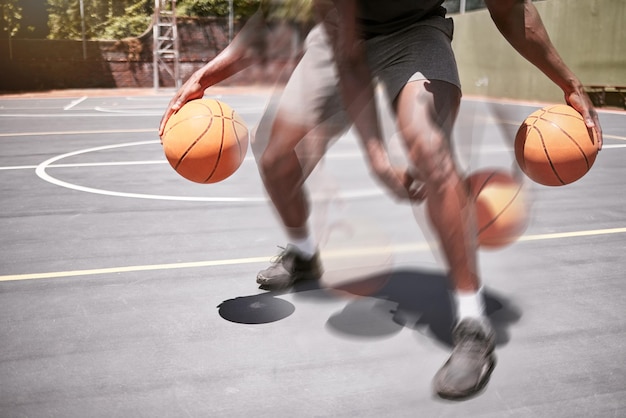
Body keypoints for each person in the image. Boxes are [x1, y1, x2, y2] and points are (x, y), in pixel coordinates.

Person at [160, 0, 602, 400]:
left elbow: (509, 9)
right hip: (335, 38)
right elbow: (301, 26)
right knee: (274, 156)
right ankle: (305, 254)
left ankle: (473, 323)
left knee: (429, 148)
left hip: (414, 34)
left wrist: (568, 81)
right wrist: (208, 73)